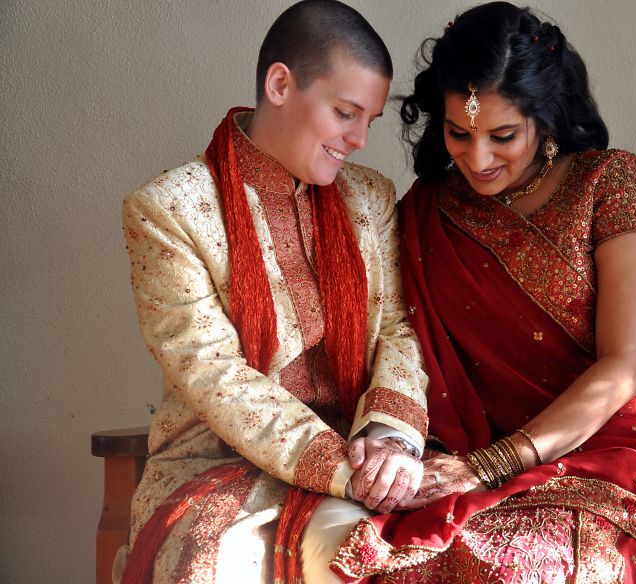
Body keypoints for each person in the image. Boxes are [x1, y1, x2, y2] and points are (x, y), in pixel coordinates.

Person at [329, 3, 636, 583]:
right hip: (461, 450)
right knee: (403, 558)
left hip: (604, 453)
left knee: (515, 566)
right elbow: (395, 339)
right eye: (458, 132)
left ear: (544, 119)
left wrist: (491, 465)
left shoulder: (608, 183)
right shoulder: (430, 211)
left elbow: (624, 368)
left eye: (503, 136)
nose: (477, 159)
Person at [118, 1, 428, 582]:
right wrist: (345, 470)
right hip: (221, 462)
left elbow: (397, 328)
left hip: (371, 452)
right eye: (345, 113)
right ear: (280, 83)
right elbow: (214, 373)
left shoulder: (370, 198)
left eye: (371, 121)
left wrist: (389, 443)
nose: (359, 139)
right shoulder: (172, 209)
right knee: (213, 566)